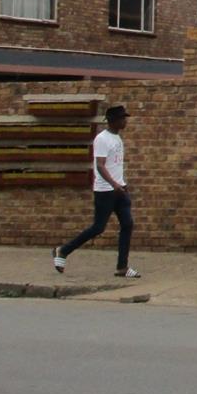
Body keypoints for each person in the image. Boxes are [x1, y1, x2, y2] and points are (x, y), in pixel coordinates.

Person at [52, 104, 139, 278]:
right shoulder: (102, 139)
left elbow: (115, 165)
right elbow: (100, 166)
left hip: (119, 190)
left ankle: (122, 267)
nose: (125, 121)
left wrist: (122, 184)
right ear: (113, 121)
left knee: (127, 224)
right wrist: (114, 184)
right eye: (122, 118)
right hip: (105, 191)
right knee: (98, 227)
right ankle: (63, 250)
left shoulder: (117, 138)